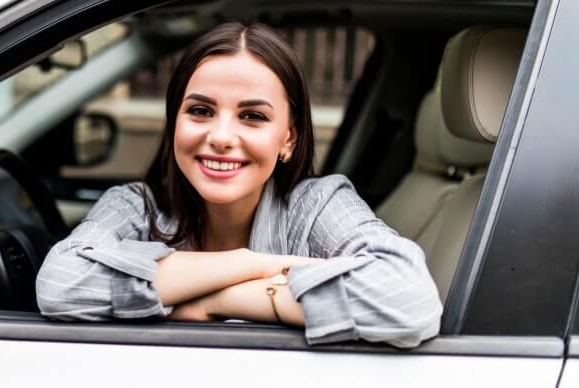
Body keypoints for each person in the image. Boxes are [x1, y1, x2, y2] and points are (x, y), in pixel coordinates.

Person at [35, 22, 442, 348]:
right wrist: (251, 265)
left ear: (289, 138)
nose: (222, 136)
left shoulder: (316, 204)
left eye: (253, 117)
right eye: (200, 110)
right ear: (174, 121)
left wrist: (217, 301)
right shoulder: (136, 204)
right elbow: (58, 284)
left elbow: (409, 299)